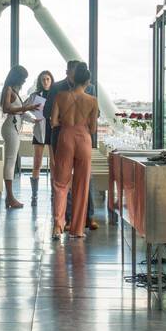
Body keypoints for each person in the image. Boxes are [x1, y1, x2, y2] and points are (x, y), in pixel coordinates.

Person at [43, 59, 100, 232]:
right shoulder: (93, 100)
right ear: (88, 81)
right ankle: (77, 229)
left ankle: (57, 225)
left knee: (60, 183)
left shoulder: (60, 96)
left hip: (65, 136)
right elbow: (93, 127)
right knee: (82, 184)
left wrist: (65, 122)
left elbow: (52, 122)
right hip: (84, 139)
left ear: (73, 78)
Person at [0, 65, 36, 209]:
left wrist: (34, 120)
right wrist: (25, 108)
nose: (24, 81)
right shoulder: (9, 90)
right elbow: (7, 109)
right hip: (10, 128)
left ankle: (10, 196)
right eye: (23, 78)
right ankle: (9, 197)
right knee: (10, 162)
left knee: (11, 161)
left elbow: (19, 113)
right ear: (18, 78)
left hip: (13, 127)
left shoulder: (13, 90)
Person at [27, 70, 55, 197]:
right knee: (37, 161)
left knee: (53, 162)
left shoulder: (57, 95)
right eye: (43, 79)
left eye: (48, 79)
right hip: (39, 129)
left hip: (53, 129)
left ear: (51, 80)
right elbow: (23, 109)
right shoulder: (34, 96)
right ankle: (34, 193)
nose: (45, 81)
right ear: (40, 81)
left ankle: (55, 192)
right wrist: (32, 119)